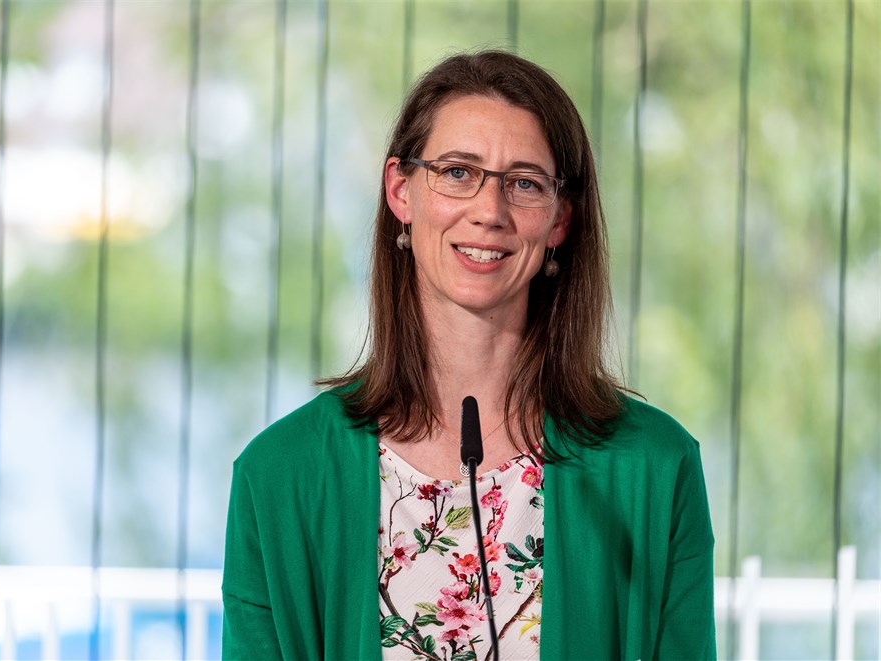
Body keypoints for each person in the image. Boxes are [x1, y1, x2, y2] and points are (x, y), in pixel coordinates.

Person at [222, 50, 716, 660]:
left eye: (525, 183)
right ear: (402, 191)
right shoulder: (278, 477)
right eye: (458, 172)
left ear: (560, 218)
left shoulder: (656, 468)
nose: (489, 211)